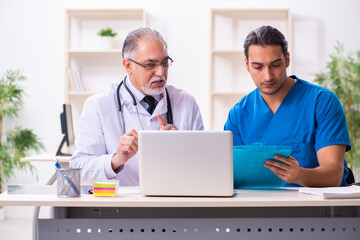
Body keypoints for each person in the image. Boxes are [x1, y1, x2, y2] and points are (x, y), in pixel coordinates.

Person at [70, 27, 204, 186]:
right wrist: (117, 159)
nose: (161, 72)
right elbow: (78, 169)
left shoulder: (186, 102)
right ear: (128, 66)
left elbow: (204, 166)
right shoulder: (99, 105)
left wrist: (179, 147)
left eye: (164, 63)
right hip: (121, 206)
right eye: (150, 65)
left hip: (173, 202)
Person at [224, 25, 351, 187]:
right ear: (247, 65)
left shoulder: (322, 102)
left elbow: (334, 174)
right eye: (258, 67)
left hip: (316, 208)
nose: (268, 76)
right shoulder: (238, 114)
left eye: (275, 65)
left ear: (287, 60)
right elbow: (229, 175)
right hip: (257, 208)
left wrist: (299, 175)